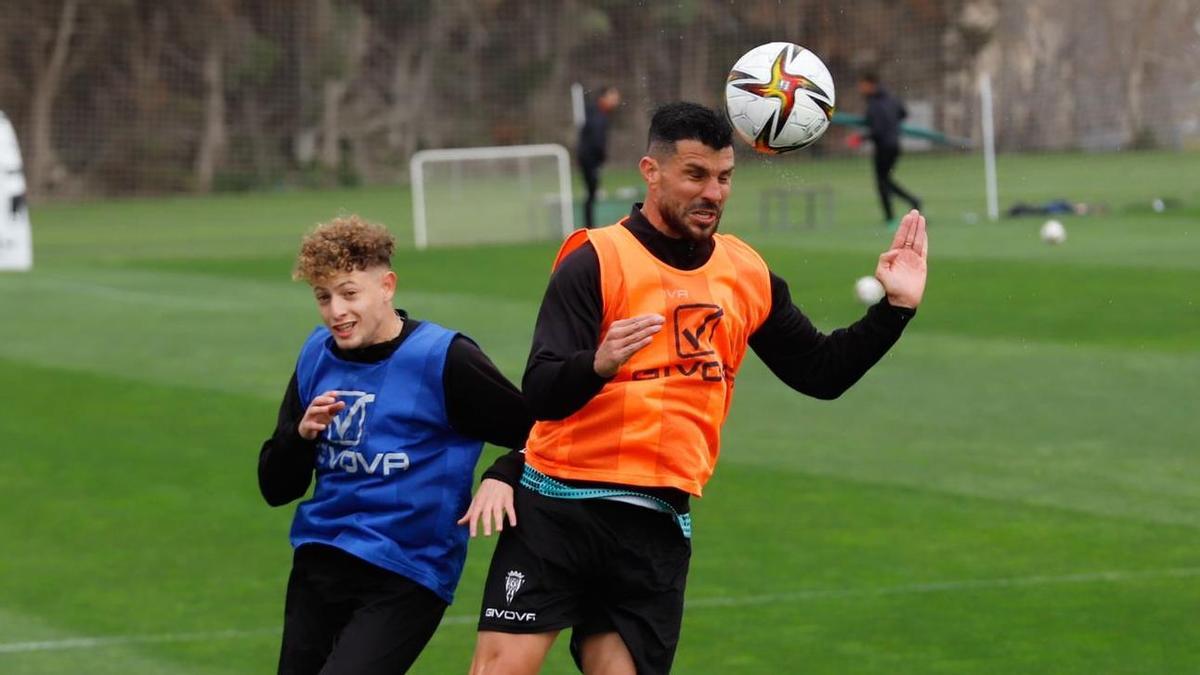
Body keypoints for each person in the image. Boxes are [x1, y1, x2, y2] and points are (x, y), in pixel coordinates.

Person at [469, 103, 928, 674]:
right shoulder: (596, 258)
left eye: (724, 177)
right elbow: (539, 392)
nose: (713, 192)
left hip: (655, 521)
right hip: (559, 508)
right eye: (695, 175)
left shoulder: (745, 272)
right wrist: (599, 364)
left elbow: (821, 373)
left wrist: (895, 310)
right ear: (651, 171)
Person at [258, 215, 531, 675]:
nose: (335, 312)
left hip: (406, 572)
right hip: (321, 559)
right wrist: (301, 435)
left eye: (349, 293)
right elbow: (275, 487)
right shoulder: (315, 354)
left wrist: (502, 475)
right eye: (323, 297)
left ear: (387, 286)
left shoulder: (445, 359)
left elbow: (543, 431)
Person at [858, 72, 921, 229]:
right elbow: (903, 112)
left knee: (882, 182)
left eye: (862, 85)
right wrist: (893, 124)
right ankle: (912, 201)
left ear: (870, 84)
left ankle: (891, 217)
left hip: (883, 147)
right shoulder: (892, 97)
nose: (860, 88)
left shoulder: (874, 104)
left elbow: (877, 130)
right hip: (895, 145)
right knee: (885, 180)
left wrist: (861, 138)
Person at [578, 86, 621, 229]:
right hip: (589, 159)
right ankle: (589, 227)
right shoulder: (597, 115)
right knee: (591, 194)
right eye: (613, 98)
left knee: (591, 194)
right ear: (604, 98)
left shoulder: (596, 113)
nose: (616, 101)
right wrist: (600, 157)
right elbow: (596, 140)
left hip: (588, 158)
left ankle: (590, 225)